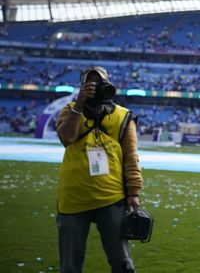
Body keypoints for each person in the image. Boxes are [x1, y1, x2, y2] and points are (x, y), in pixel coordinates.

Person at [55, 66, 142, 273]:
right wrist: (80, 103)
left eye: (99, 83)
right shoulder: (70, 110)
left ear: (107, 83)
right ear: (82, 86)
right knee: (70, 265)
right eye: (89, 84)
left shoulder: (123, 116)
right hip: (73, 198)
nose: (95, 87)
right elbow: (67, 138)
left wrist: (134, 192)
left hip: (112, 198)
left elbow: (131, 156)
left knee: (122, 263)